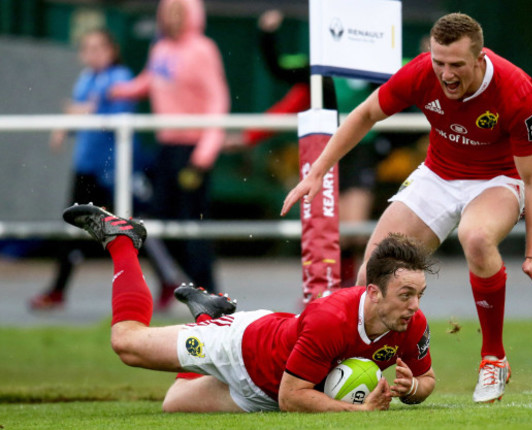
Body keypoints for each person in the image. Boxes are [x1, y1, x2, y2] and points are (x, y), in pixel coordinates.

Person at [282, 12, 532, 403]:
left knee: (475, 237)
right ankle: (358, 375)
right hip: (439, 174)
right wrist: (317, 172)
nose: (445, 74)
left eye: (456, 65)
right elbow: (367, 113)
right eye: (439, 62)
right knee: (370, 272)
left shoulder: (516, 91)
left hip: (499, 179)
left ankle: (493, 357)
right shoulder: (422, 71)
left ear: (480, 59)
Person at [61, 203, 436, 413]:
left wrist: (413, 386)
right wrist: (360, 414)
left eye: (419, 294)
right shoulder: (332, 319)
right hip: (244, 349)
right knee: (128, 344)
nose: (414, 306)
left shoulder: (412, 323)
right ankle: (122, 239)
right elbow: (293, 398)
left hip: (266, 393)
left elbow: (428, 381)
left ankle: (210, 313)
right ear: (372, 292)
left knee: (173, 406)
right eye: (405, 294)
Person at [228, 9, 383, 286]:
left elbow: (409, 74)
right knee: (333, 230)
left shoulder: (373, 66)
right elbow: (277, 69)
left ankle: (349, 295)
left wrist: (428, 54)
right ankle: (330, 292)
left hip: (359, 152)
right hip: (325, 153)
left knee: (355, 232)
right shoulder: (317, 69)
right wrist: (267, 34)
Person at [110, 0, 230, 301]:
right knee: (156, 220)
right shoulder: (160, 49)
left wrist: (204, 154)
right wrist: (110, 91)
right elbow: (147, 82)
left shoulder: (203, 49)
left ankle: (212, 294)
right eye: (169, 12)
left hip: (193, 150)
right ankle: (185, 283)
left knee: (193, 225)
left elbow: (218, 101)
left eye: (180, 11)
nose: (173, 18)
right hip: (166, 147)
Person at [28, 29, 140, 310]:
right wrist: (65, 126)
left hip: (114, 171)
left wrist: (84, 112)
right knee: (73, 225)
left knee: (131, 228)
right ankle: (57, 291)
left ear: (112, 50)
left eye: (99, 47)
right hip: (86, 169)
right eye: (87, 48)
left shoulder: (121, 77)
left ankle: (166, 281)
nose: (93, 54)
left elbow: (112, 118)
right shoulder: (86, 78)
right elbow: (78, 114)